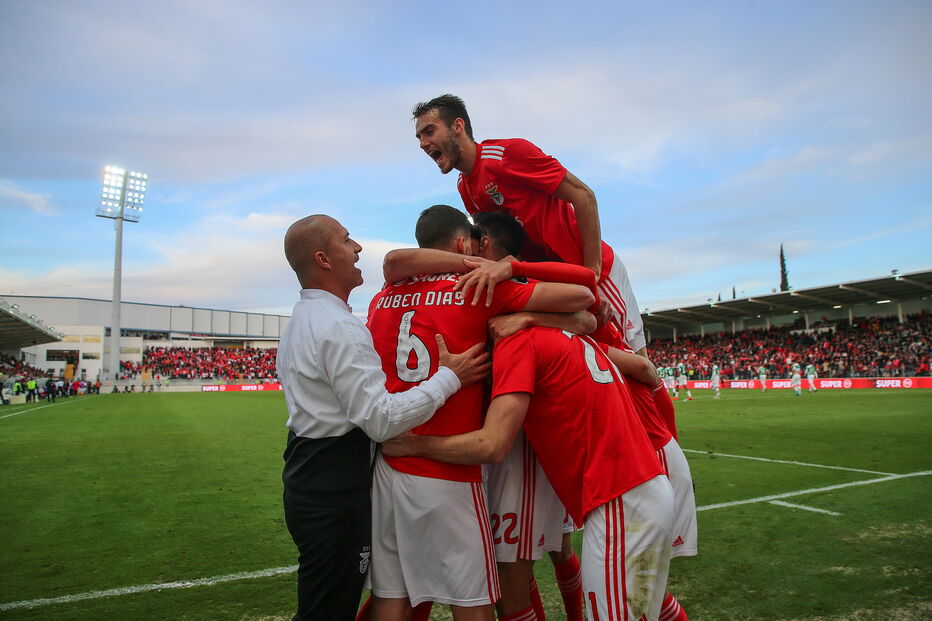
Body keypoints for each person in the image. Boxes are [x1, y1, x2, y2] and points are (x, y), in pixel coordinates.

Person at [366, 205, 594, 621]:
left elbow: (394, 263)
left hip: (389, 464)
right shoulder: (475, 288)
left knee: (391, 597)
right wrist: (505, 275)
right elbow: (581, 297)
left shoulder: (381, 297)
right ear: (462, 244)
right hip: (449, 472)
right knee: (472, 601)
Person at [277, 214, 489, 621]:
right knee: (327, 611)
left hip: (309, 473)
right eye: (347, 240)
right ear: (323, 259)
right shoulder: (338, 327)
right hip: (333, 487)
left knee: (326, 603)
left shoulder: (303, 318)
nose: (357, 248)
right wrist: (449, 378)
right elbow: (380, 421)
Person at [384, 327, 675, 621]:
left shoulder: (519, 343)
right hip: (637, 493)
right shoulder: (566, 333)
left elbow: (492, 444)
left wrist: (415, 443)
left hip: (620, 505)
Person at [412, 94, 649, 355]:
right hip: (557, 285)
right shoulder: (465, 187)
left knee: (635, 360)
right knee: (598, 364)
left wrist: (592, 272)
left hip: (592, 269)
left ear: (458, 126)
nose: (423, 143)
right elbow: (502, 245)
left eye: (429, 131)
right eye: (419, 137)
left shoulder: (506, 154)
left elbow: (584, 196)